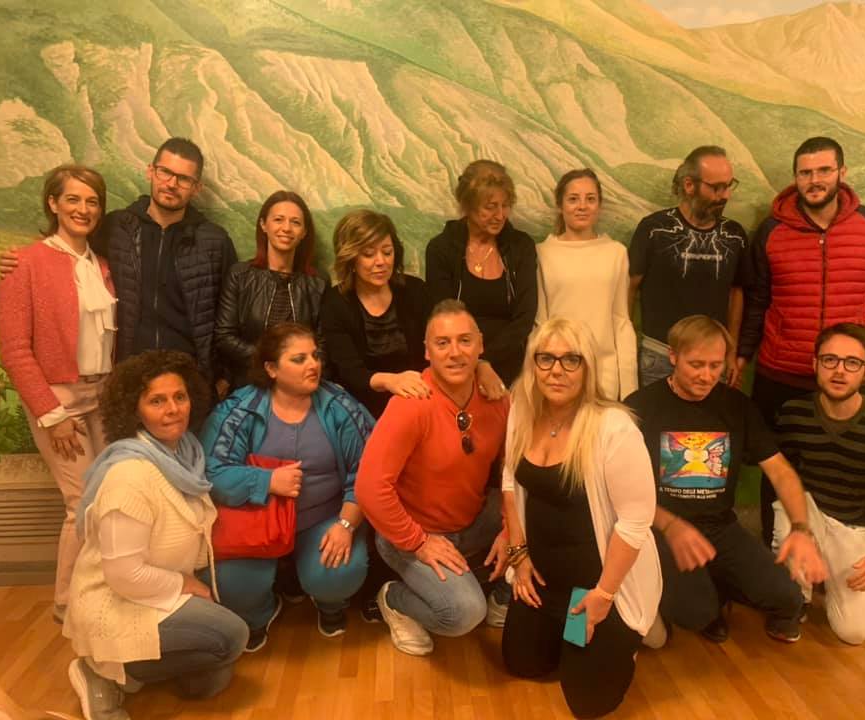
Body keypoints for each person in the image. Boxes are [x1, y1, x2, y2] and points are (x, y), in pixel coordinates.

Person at [62, 351, 248, 720]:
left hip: (156, 589)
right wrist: (185, 584)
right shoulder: (129, 475)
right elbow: (123, 575)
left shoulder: (185, 455)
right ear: (134, 410)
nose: (173, 409)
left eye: (180, 397)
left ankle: (136, 670)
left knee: (207, 684)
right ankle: (102, 670)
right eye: (157, 401)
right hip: (117, 599)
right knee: (232, 636)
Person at [737, 137, 865, 545]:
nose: (814, 180)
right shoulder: (771, 231)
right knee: (777, 467)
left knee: (851, 465)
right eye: (805, 173)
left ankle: (843, 553)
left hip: (848, 371)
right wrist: (742, 355)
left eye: (824, 170)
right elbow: (758, 300)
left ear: (841, 173)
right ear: (795, 178)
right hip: (781, 372)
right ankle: (778, 556)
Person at [623, 315, 826, 644]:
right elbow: (620, 489)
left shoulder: (737, 406)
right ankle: (702, 595)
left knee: (789, 598)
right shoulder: (639, 407)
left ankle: (718, 581)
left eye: (715, 366)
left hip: (720, 527)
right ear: (673, 356)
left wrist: (802, 529)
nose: (706, 376)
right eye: (696, 365)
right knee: (697, 613)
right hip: (661, 529)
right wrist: (670, 525)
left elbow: (780, 470)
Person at [500, 318, 661, 719]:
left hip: (592, 589)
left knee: (587, 703)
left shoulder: (614, 428)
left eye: (570, 359)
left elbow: (635, 522)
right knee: (523, 663)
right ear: (533, 364)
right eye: (546, 358)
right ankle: (578, 641)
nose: (557, 370)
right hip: (542, 578)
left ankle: (632, 632)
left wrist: (603, 596)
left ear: (587, 367)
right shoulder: (522, 409)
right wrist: (519, 555)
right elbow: (508, 481)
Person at [0, 138, 237, 383]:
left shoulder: (214, 241)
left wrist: (223, 376)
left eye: (184, 179)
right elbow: (70, 247)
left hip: (189, 378)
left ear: (196, 188)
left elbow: (230, 315)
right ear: (151, 171)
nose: (171, 184)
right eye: (165, 172)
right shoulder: (115, 227)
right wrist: (22, 259)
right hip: (126, 376)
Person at [201, 323, 374, 646]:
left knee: (337, 571)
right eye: (299, 359)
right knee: (231, 583)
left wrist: (346, 525)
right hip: (256, 521)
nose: (313, 364)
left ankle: (330, 603)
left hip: (323, 518)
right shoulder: (238, 411)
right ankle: (259, 613)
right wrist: (266, 480)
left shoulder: (340, 406)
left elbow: (369, 470)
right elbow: (211, 473)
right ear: (271, 369)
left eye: (315, 356)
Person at [355, 300, 511, 656]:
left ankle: (499, 593)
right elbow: (369, 488)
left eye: (465, 341)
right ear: (427, 352)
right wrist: (419, 542)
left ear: (481, 345)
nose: (455, 352)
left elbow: (513, 471)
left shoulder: (496, 398)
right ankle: (392, 599)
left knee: (545, 513)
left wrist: (510, 531)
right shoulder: (412, 404)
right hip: (411, 532)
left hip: (472, 520)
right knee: (463, 614)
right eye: (443, 343)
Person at [0, 164, 116, 624]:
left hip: (102, 396)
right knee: (81, 502)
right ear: (53, 203)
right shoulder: (25, 263)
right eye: (73, 199)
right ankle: (67, 603)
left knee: (107, 496)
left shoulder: (101, 266)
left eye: (92, 201)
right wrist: (52, 413)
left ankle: (99, 589)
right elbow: (14, 350)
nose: (83, 209)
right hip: (59, 401)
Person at [774, 323, 865, 645]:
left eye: (852, 362)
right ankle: (795, 597)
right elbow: (781, 476)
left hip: (853, 525)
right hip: (806, 515)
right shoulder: (793, 414)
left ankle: (828, 576)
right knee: (785, 510)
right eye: (830, 360)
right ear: (815, 364)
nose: (839, 371)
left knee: (853, 633)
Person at [628, 146, 750, 388]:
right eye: (716, 187)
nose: (725, 195)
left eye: (729, 185)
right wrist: (626, 345)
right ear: (689, 185)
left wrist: (731, 350)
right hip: (660, 354)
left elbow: (736, 293)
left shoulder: (735, 235)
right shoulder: (654, 229)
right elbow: (629, 289)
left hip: (712, 360)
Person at [425, 160, 537, 395]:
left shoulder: (521, 246)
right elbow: (443, 317)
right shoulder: (441, 249)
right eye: (490, 207)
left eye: (505, 206)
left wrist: (486, 360)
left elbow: (525, 318)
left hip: (512, 364)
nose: (500, 215)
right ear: (468, 205)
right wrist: (476, 362)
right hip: (457, 363)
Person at [536, 169, 637, 401]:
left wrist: (629, 391)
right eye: (573, 199)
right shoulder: (542, 253)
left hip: (604, 375)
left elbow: (621, 320)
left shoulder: (616, 253)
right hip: (557, 374)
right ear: (560, 205)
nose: (582, 206)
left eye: (590, 199)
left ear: (599, 205)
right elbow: (540, 324)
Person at [321, 209, 431, 418]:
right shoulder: (335, 303)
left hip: (419, 397)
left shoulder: (416, 290)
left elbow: (436, 347)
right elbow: (350, 372)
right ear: (351, 259)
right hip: (362, 407)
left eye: (387, 252)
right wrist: (391, 381)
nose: (381, 262)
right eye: (369, 254)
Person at [214, 191, 328, 391]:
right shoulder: (240, 275)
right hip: (249, 383)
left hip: (301, 386)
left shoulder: (317, 282)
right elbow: (224, 336)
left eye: (295, 222)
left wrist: (296, 367)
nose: (286, 228)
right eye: (278, 219)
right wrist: (271, 362)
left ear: (304, 232)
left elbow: (323, 343)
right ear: (263, 225)